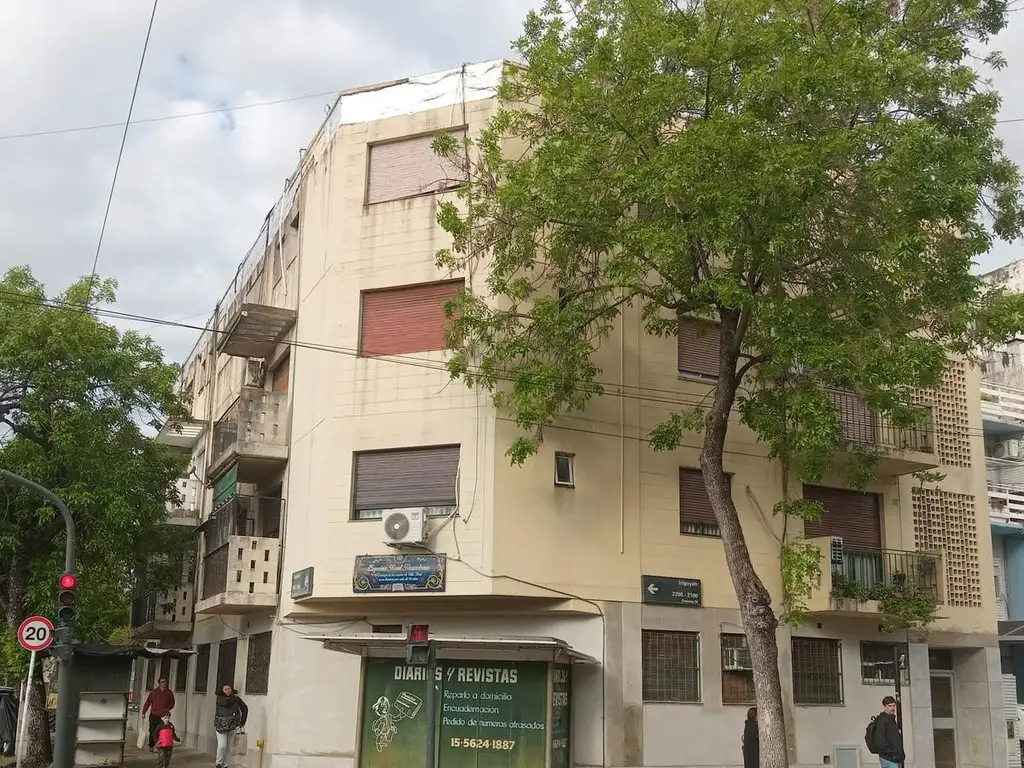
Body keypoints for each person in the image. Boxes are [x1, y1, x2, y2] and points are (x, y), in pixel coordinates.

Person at [214, 683, 248, 768]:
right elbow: (224, 705)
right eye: (225, 689)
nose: (227, 691)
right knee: (222, 746)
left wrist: (242, 722)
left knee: (229, 747)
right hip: (220, 726)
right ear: (222, 690)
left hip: (232, 726)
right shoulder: (219, 699)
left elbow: (245, 709)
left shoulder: (236, 699)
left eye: (229, 689)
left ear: (231, 689)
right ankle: (219, 763)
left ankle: (225, 765)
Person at [870, 695, 905, 768]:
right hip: (889, 759)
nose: (892, 708)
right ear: (884, 706)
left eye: (893, 705)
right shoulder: (882, 720)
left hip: (894, 758)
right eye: (889, 706)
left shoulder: (890, 719)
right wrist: (892, 754)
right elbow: (880, 741)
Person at [141, 677, 175, 752]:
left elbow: (172, 703)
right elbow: (148, 702)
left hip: (164, 716)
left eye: (165, 681)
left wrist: (167, 709)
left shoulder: (169, 693)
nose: (164, 683)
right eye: (162, 682)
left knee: (162, 731)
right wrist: (143, 712)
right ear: (159, 683)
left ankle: (160, 745)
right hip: (154, 715)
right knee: (152, 731)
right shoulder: (154, 692)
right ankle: (151, 745)